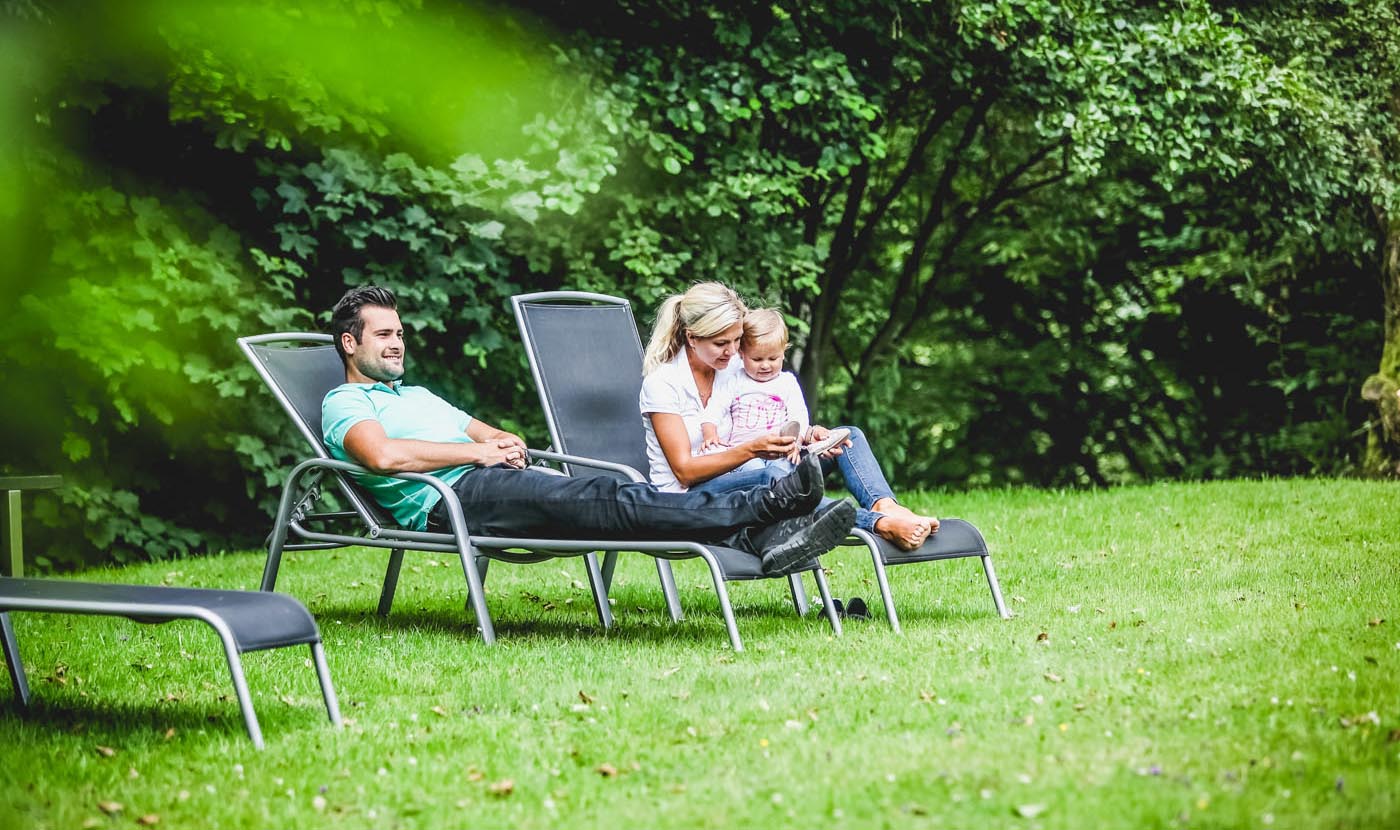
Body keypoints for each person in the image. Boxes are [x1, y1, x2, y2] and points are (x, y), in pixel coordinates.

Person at [320, 285, 856, 577]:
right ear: (351, 344)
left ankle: (753, 529)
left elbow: (487, 431)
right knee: (608, 498)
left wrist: (502, 442)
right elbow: (384, 457)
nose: (397, 343)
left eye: (400, 333)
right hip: (454, 499)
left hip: (490, 480)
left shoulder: (413, 395)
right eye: (384, 334)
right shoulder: (343, 401)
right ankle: (772, 507)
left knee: (615, 499)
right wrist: (480, 454)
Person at [640, 283, 938, 551]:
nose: (732, 352)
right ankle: (878, 523)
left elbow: (770, 415)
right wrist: (753, 449)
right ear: (692, 338)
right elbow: (685, 471)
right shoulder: (663, 384)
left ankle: (886, 506)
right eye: (721, 344)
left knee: (849, 437)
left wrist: (809, 436)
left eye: (737, 341)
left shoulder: (734, 368)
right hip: (689, 498)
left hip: (755, 468)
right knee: (774, 478)